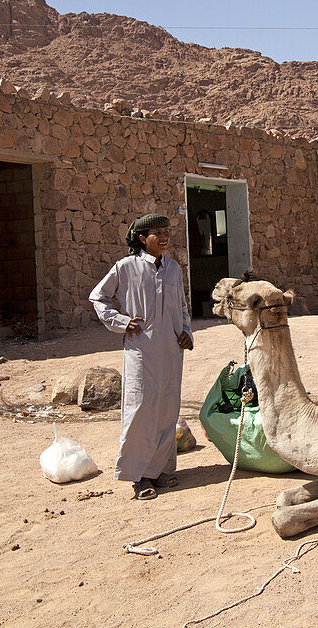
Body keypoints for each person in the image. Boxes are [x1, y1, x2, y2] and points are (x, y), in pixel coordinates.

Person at [89, 214, 193, 500]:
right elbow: (98, 297)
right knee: (141, 409)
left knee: (166, 408)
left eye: (166, 231)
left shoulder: (173, 269)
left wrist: (186, 332)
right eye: (157, 232)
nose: (164, 237)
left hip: (172, 350)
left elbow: (182, 307)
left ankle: (159, 470)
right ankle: (138, 476)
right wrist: (121, 322)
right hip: (141, 350)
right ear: (141, 238)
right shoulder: (125, 268)